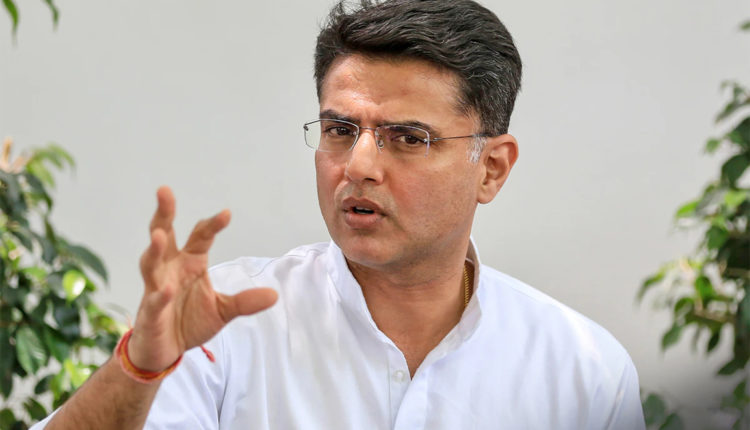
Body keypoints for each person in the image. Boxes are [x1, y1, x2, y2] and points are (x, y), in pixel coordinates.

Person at [35, 0, 645, 428]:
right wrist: (141, 366)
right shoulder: (224, 326)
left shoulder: (583, 371)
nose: (359, 165)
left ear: (491, 169)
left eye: (409, 137)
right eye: (340, 129)